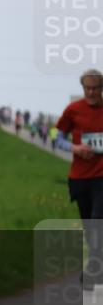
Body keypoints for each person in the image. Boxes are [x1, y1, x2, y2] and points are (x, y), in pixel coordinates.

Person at [55, 69, 103, 289]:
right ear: (83, 88)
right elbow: (57, 136)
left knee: (97, 221)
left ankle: (92, 268)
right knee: (89, 225)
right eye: (88, 88)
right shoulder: (73, 110)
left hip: (101, 176)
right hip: (79, 177)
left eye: (96, 88)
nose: (92, 92)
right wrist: (74, 147)